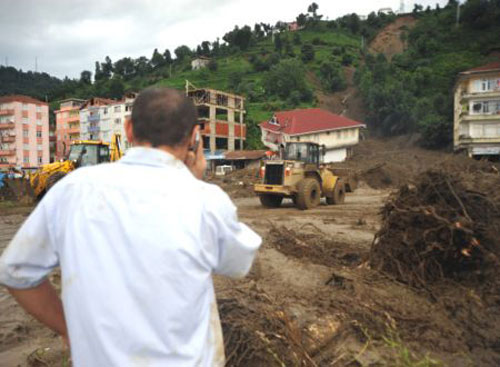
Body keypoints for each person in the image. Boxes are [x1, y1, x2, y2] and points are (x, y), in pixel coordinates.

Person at [0, 87, 262, 366]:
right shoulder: (205, 201)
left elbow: (16, 271)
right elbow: (239, 262)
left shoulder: (73, 190)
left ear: (128, 129)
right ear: (193, 138)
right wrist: (195, 181)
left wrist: (68, 328)